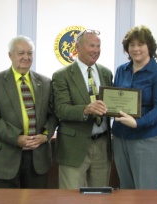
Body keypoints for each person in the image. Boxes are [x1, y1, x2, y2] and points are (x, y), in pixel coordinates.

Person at [0, 35, 58, 188]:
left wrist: (45, 136)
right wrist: (16, 138)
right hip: (4, 158)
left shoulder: (45, 82)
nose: (26, 57)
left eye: (29, 53)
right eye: (21, 53)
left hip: (37, 158)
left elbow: (53, 115)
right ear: (10, 55)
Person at [112, 25, 157, 189]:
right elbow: (115, 99)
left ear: (150, 47)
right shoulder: (121, 71)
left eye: (141, 44)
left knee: (147, 192)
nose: (136, 49)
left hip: (148, 139)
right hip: (120, 137)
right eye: (131, 45)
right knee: (126, 190)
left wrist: (137, 123)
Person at [52, 29, 113, 189]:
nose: (96, 50)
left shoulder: (106, 73)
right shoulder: (62, 75)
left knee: (100, 197)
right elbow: (60, 109)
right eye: (91, 45)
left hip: (102, 145)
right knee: (70, 198)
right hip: (74, 146)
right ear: (77, 48)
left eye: (98, 46)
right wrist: (86, 109)